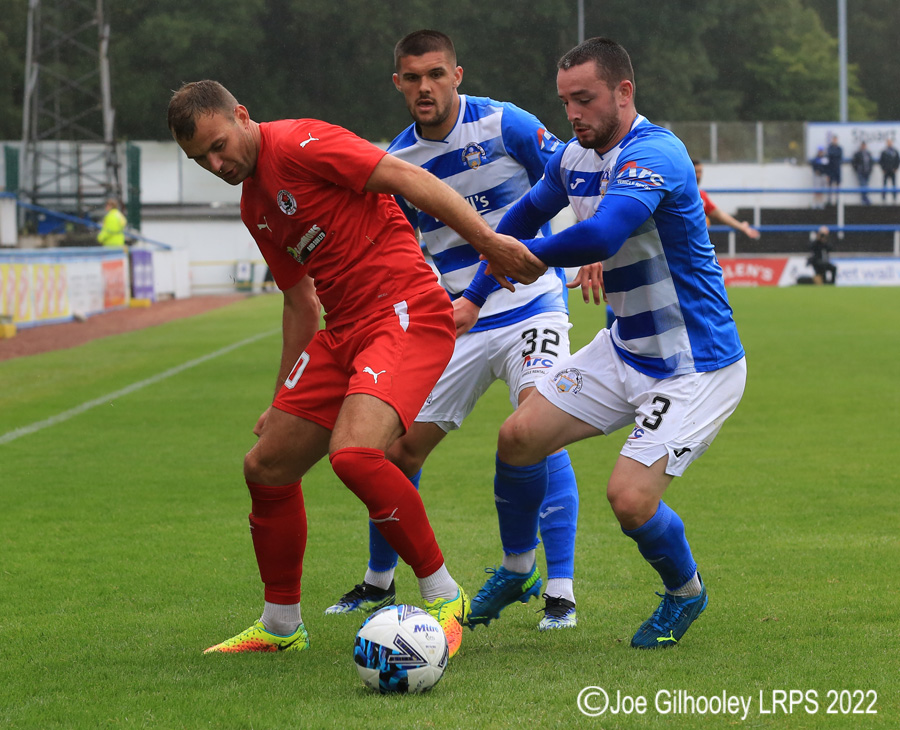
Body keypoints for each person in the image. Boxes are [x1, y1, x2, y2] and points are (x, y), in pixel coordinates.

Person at [166, 80, 544, 658]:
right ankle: (280, 626)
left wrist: (489, 244)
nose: (217, 164)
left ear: (243, 115)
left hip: (405, 311)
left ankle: (446, 597)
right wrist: (279, 401)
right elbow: (300, 302)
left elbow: (409, 177)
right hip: (343, 331)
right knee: (266, 466)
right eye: (201, 160)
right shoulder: (253, 205)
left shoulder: (302, 142)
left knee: (355, 454)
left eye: (219, 145)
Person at [460, 37, 746, 649]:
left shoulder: (657, 153)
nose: (574, 115)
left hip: (694, 364)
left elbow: (604, 233)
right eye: (565, 102)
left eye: (585, 100)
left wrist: (525, 257)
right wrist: (474, 294)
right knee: (517, 437)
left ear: (624, 92)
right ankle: (516, 572)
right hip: (623, 350)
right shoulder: (572, 159)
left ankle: (684, 592)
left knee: (629, 500)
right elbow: (520, 221)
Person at [325, 29, 603, 631]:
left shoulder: (506, 125)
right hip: (457, 320)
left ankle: (559, 588)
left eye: (436, 74)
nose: (425, 87)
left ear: (457, 74)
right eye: (412, 77)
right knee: (394, 450)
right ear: (397, 83)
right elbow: (396, 248)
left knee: (538, 427)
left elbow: (571, 172)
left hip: (531, 304)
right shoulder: (398, 163)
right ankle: (379, 580)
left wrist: (597, 243)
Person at [692, 160, 760, 239]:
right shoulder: (679, 194)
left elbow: (720, 215)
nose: (698, 175)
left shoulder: (702, 196)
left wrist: (742, 227)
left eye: (700, 172)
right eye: (695, 172)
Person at [879, 138, 899, 203]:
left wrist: (896, 168)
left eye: (890, 142)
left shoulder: (895, 151)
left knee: (894, 185)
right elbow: (881, 161)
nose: (889, 143)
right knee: (884, 185)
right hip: (886, 171)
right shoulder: (884, 152)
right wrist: (883, 169)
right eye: (888, 142)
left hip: (892, 171)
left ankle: (894, 198)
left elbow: (897, 160)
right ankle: (884, 198)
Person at [825, 135, 843, 206]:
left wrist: (833, 155)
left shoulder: (839, 148)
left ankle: (837, 199)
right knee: (830, 185)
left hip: (837, 169)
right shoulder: (830, 148)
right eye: (834, 139)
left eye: (836, 139)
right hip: (830, 169)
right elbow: (830, 156)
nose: (835, 141)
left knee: (837, 185)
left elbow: (839, 156)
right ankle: (829, 200)